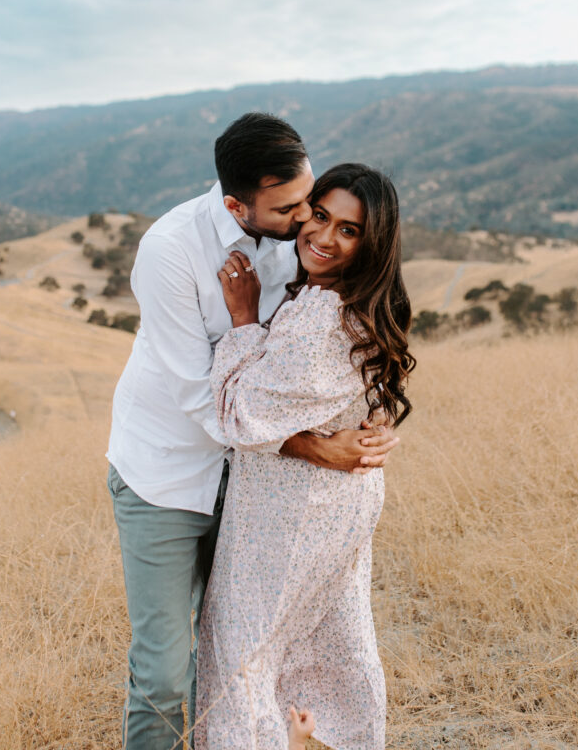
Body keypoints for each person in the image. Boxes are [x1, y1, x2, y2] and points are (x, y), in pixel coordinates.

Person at [106, 116, 400, 750]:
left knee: (250, 651)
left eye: (312, 201)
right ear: (238, 205)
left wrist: (367, 422)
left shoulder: (303, 246)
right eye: (293, 208)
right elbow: (203, 398)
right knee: (164, 673)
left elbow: (314, 357)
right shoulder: (171, 250)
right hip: (169, 475)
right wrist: (318, 447)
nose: (306, 221)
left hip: (258, 495)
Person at [195, 164, 415, 750]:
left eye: (349, 230)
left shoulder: (323, 316)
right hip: (333, 503)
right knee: (329, 638)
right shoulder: (344, 303)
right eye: (320, 216)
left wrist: (242, 319)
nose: (324, 236)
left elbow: (239, 414)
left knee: (246, 650)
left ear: (372, 243)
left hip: (291, 511)